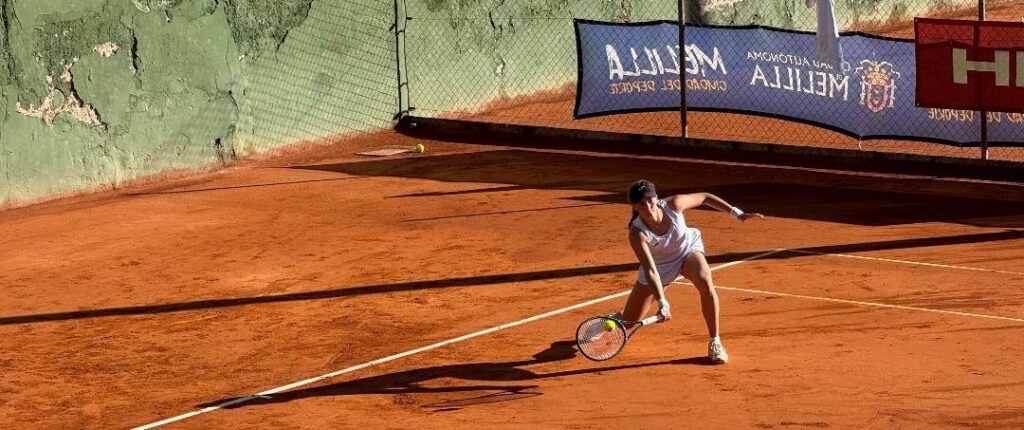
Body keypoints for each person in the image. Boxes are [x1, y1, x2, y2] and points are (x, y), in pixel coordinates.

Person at [618, 179, 764, 364]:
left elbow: (705, 197)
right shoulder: (637, 233)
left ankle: (715, 341)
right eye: (641, 203)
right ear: (634, 206)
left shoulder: (674, 204)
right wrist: (662, 301)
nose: (647, 206)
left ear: (656, 197)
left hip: (687, 250)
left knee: (704, 281)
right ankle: (621, 317)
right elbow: (650, 269)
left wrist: (737, 213)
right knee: (629, 323)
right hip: (661, 267)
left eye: (649, 199)